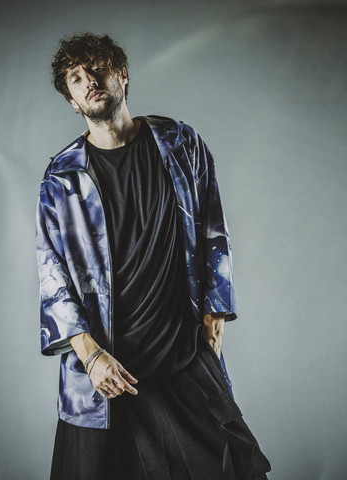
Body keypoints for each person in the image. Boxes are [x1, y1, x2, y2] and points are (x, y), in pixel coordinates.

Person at [35, 32, 271, 480]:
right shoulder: (62, 177)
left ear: (122, 74)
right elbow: (53, 275)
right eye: (76, 78)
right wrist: (90, 356)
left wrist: (216, 314)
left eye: (97, 68)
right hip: (108, 366)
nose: (89, 81)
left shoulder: (180, 143)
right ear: (71, 100)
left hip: (181, 349)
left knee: (226, 468)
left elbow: (213, 231)